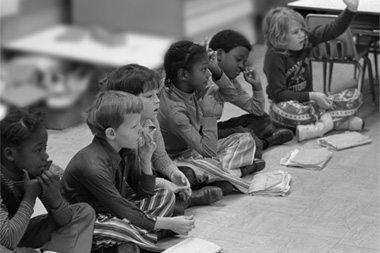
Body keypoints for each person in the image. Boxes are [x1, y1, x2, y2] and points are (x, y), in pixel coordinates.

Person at [61, 91, 195, 253]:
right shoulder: (92, 166)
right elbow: (121, 209)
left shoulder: (126, 149)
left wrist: (145, 160)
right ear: (111, 133)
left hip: (115, 212)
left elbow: (145, 191)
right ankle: (151, 238)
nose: (141, 129)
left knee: (165, 196)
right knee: (116, 228)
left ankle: (135, 241)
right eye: (134, 126)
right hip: (88, 222)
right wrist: (168, 223)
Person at [99, 63, 224, 213]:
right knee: (158, 199)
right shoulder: (123, 132)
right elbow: (129, 182)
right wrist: (163, 183)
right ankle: (188, 200)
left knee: (186, 174)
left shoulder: (151, 120)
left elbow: (160, 156)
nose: (157, 100)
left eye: (157, 95)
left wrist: (173, 172)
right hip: (129, 187)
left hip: (148, 177)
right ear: (127, 100)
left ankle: (183, 197)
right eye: (149, 96)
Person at [158, 40, 265, 196]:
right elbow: (209, 153)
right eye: (203, 69)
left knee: (246, 139)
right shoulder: (175, 111)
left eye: (208, 68)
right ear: (183, 74)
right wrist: (209, 114)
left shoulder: (187, 85)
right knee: (197, 167)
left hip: (196, 150)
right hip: (176, 159)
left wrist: (216, 70)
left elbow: (231, 94)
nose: (208, 74)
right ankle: (236, 173)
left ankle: (222, 176)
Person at [262, 0, 364, 141]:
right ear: (280, 38)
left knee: (355, 95)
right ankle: (338, 122)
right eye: (295, 32)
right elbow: (279, 95)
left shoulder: (305, 40)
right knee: (281, 112)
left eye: (303, 30)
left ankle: (316, 127)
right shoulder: (274, 57)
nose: (302, 35)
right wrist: (313, 96)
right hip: (287, 105)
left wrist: (351, 9)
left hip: (309, 105)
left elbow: (332, 29)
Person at [0, 109, 95, 253]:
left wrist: (55, 196)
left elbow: (64, 222)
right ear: (10, 154)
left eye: (45, 148)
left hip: (18, 234)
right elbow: (7, 240)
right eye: (38, 150)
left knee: (83, 212)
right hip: (5, 241)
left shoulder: (34, 170)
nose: (46, 156)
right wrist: (30, 197)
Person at [208, 29, 294, 155]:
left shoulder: (231, 82)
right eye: (238, 59)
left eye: (244, 62)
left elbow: (257, 111)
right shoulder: (203, 76)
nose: (242, 67)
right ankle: (264, 143)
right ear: (219, 55)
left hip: (211, 129)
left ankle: (251, 144)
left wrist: (257, 86)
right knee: (243, 134)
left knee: (262, 120)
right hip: (194, 134)